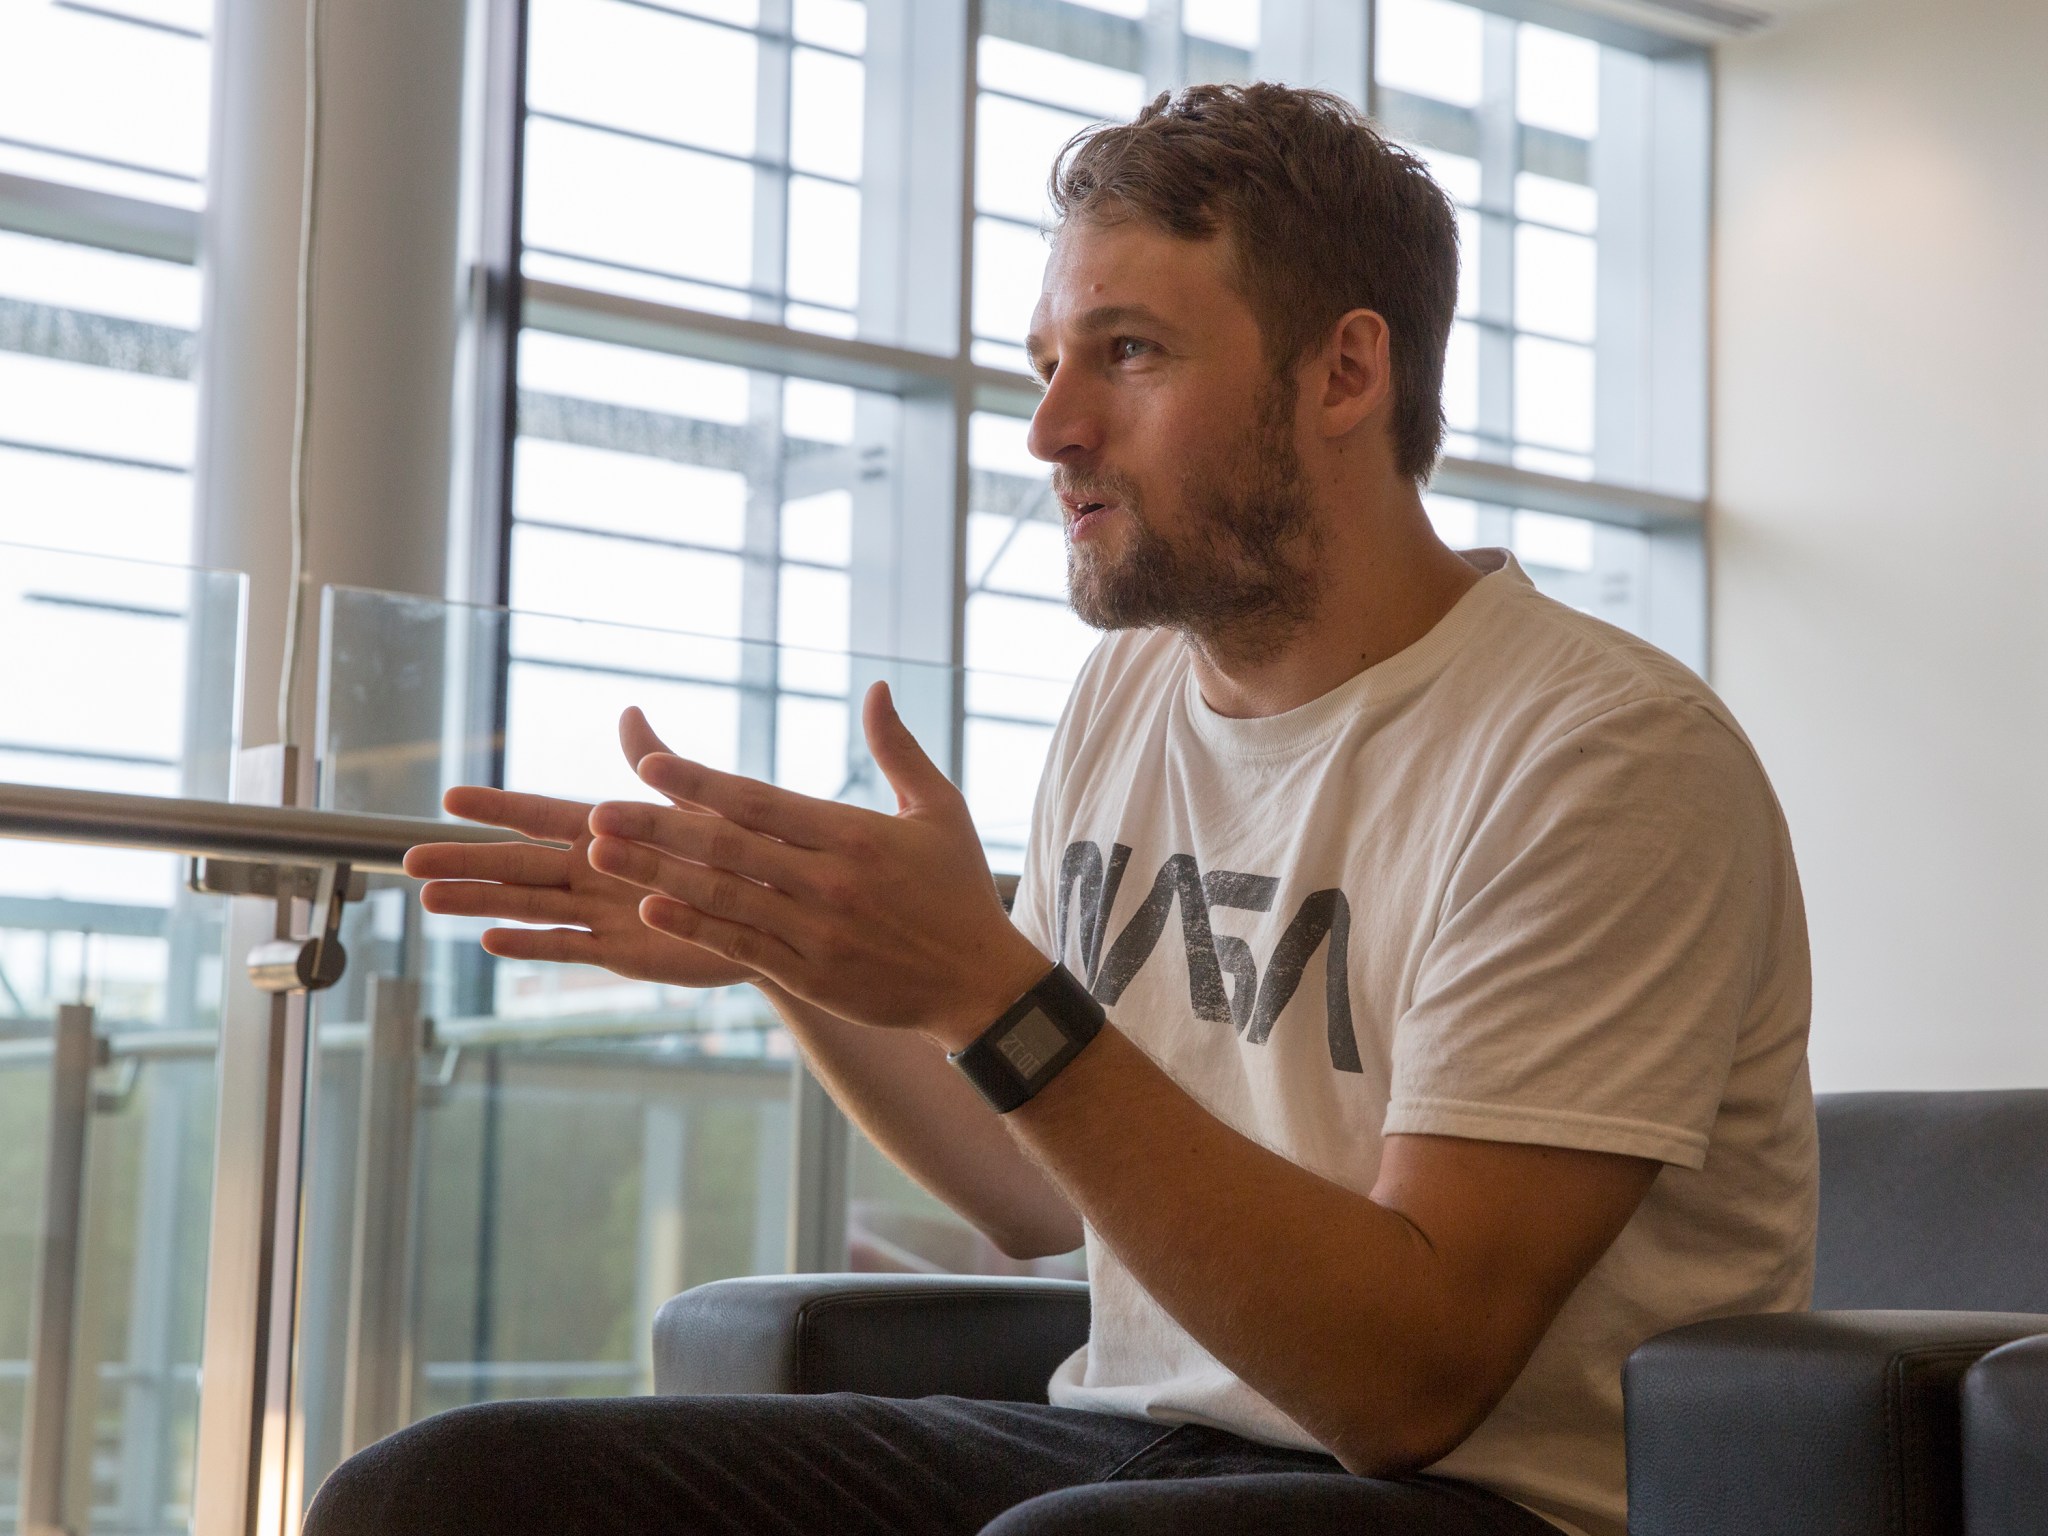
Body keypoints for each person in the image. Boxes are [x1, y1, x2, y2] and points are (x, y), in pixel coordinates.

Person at [308, 83, 1815, 1536]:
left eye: (1130, 352)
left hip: (1480, 1499)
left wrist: (984, 977)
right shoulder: (1133, 697)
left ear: (1346, 374)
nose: (1050, 429)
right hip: (1134, 1442)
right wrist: (797, 948)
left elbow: (1407, 1381)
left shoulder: (1601, 756)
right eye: (1046, 361)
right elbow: (1024, 1185)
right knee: (440, 1493)